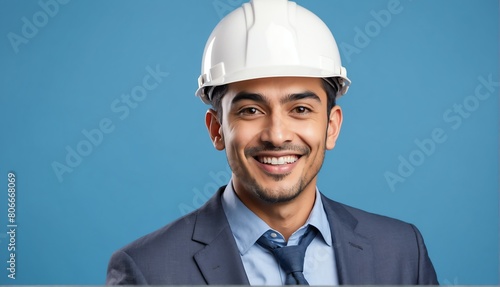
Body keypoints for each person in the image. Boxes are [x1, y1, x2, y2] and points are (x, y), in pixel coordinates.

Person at [106, 0, 439, 285]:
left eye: (300, 109)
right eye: (251, 110)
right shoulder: (148, 271)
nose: (277, 135)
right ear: (217, 129)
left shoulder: (402, 253)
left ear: (332, 126)